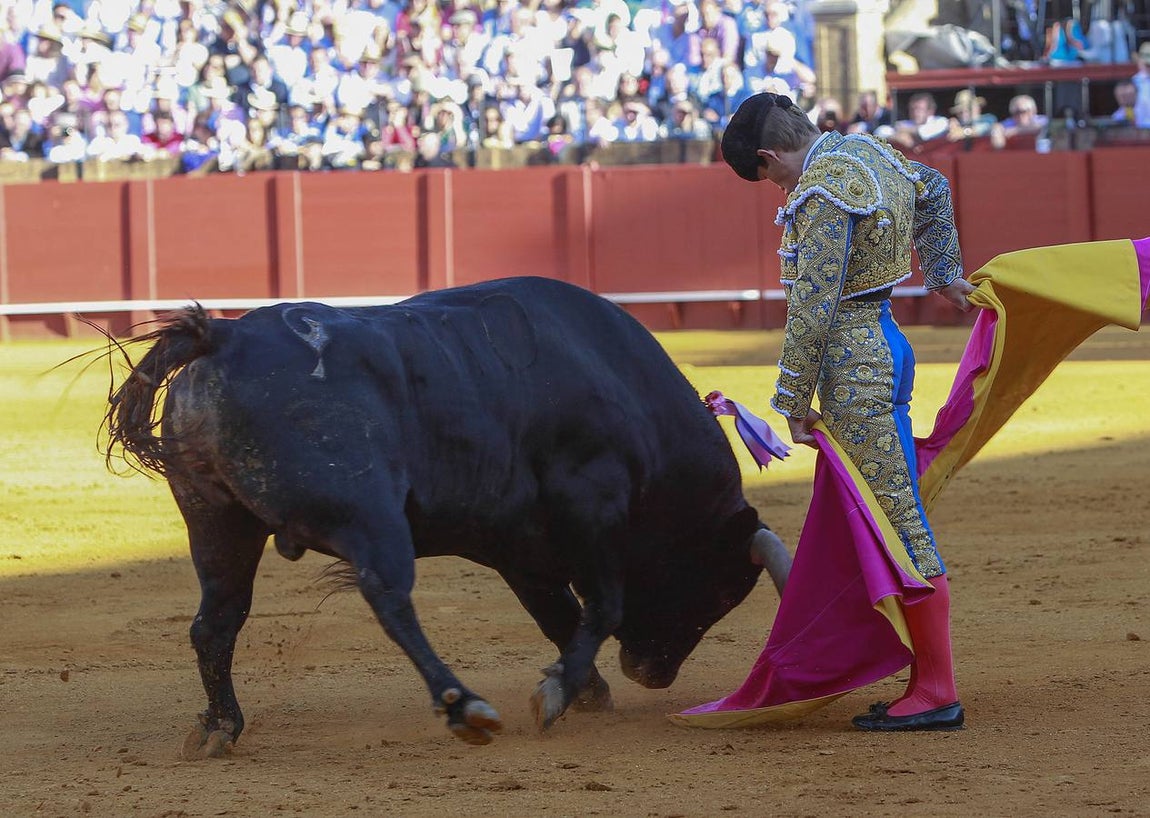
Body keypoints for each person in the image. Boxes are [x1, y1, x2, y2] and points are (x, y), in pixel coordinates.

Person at [717, 91, 976, 731]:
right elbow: (934, 188)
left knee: (898, 522)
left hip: (854, 362)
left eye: (770, 177)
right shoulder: (869, 152)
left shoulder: (823, 190)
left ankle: (937, 689)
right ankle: (924, 676)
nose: (780, 189)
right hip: (888, 342)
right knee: (889, 510)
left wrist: (791, 400)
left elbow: (814, 305)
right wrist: (943, 272)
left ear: (769, 155)